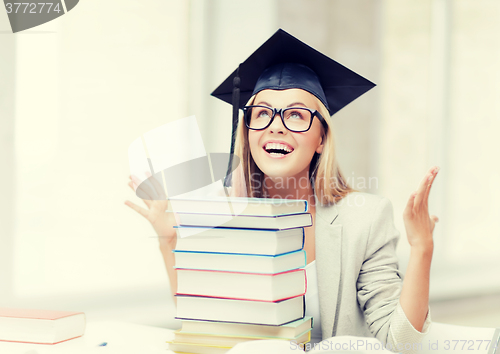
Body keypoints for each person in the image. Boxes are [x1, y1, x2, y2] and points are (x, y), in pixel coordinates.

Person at [125, 29, 439, 353]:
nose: (275, 125)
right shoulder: (225, 214)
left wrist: (421, 247)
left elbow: (402, 342)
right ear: (246, 132)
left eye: (296, 115)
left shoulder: (365, 219)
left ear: (320, 139)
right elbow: (206, 328)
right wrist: (170, 239)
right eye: (261, 113)